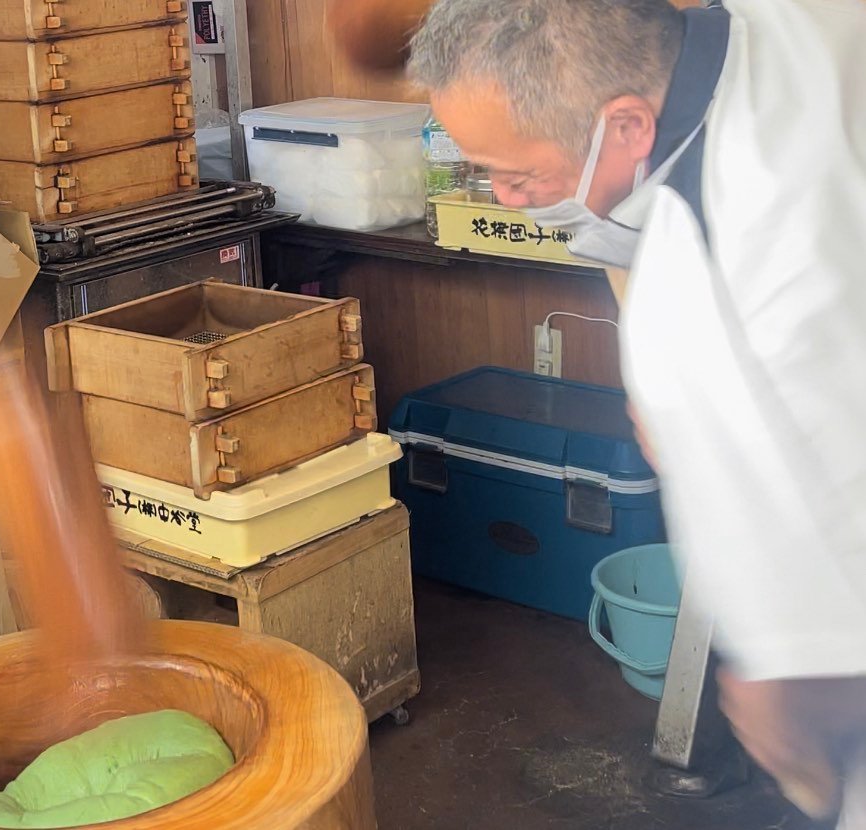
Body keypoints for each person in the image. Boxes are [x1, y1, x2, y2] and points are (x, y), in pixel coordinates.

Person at [332, 0, 866, 824]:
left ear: (626, 127)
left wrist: (791, 668)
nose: (507, 200)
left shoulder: (778, 254)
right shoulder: (730, 42)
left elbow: (823, 523)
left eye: (520, 177)